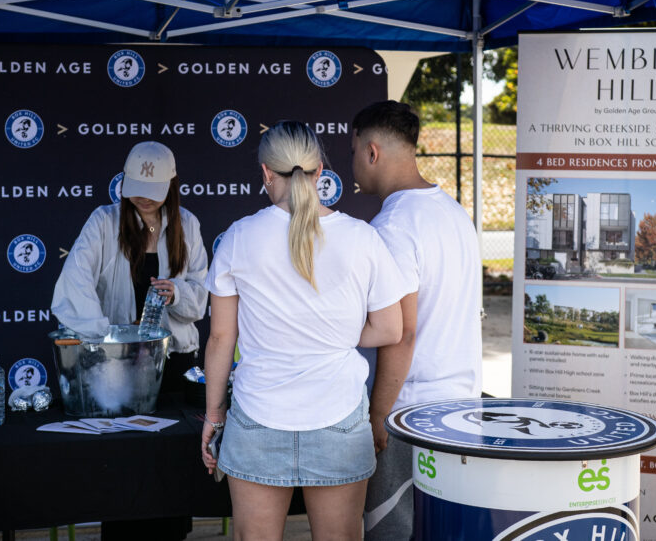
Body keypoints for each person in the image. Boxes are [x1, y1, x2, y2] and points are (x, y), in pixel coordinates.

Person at [201, 121, 408, 541]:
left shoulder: (239, 237)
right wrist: (337, 335)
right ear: (319, 173)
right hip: (339, 418)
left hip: (257, 417)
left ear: (265, 173)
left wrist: (212, 415)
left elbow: (222, 338)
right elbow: (390, 329)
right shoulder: (362, 238)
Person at [51, 140, 209, 541]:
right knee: (122, 468)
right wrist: (105, 336)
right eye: (136, 186)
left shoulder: (187, 224)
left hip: (173, 364)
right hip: (117, 366)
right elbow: (74, 282)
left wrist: (177, 291)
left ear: (172, 186)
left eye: (154, 191)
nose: (144, 197)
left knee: (171, 468)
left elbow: (202, 299)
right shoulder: (103, 222)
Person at [351, 101, 483, 541]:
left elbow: (401, 333)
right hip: (463, 409)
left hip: (410, 415)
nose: (352, 164)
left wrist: (377, 415)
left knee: (394, 532)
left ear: (372, 152)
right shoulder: (453, 211)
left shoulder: (394, 226)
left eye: (353, 152)